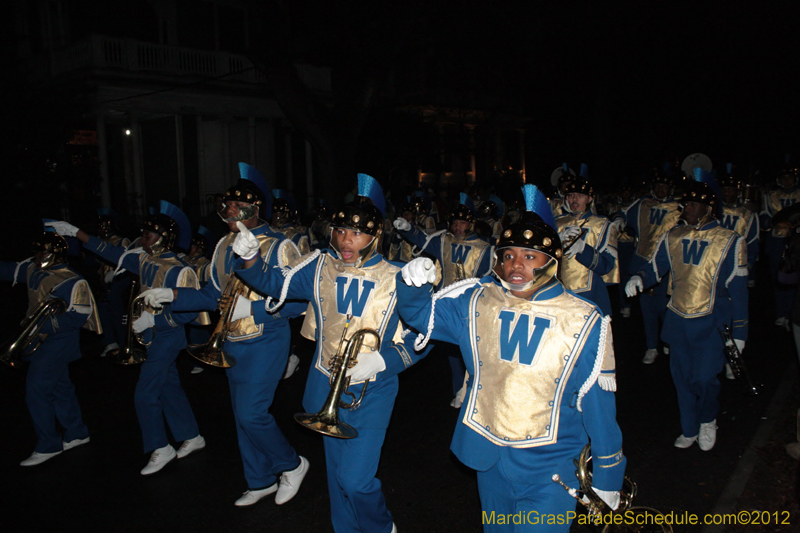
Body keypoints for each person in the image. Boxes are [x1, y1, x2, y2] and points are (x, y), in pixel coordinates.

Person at [396, 184, 625, 532]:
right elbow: (421, 317)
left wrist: (608, 474)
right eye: (509, 256)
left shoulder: (585, 318)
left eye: (529, 256)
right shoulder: (477, 300)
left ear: (551, 262)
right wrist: (411, 286)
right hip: (489, 460)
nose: (516, 265)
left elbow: (598, 405)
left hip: (550, 468)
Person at [233, 173, 428, 533]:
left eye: (356, 233)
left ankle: (380, 527)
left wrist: (385, 360)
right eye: (340, 231)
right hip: (324, 382)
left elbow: (425, 336)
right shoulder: (319, 265)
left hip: (372, 389)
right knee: (338, 476)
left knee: (356, 480)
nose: (345, 240)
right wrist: (249, 260)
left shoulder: (397, 275)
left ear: (375, 236)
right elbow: (275, 284)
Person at [140, 163, 310, 507]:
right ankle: (259, 479)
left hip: (267, 339)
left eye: (236, 207)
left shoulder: (281, 246)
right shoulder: (222, 246)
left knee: (252, 413)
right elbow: (211, 294)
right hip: (231, 341)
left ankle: (292, 463)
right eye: (226, 208)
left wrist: (257, 310)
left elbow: (299, 304)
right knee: (240, 415)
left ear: (253, 208)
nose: (229, 213)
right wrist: (171, 296)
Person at [47, 201, 206, 475]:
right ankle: (192, 436)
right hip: (152, 334)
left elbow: (190, 314)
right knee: (168, 388)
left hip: (167, 336)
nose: (142, 239)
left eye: (148, 234)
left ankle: (161, 447)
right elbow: (111, 251)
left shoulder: (181, 270)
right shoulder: (144, 258)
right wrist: (76, 233)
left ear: (164, 238)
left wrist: (153, 319)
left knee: (144, 394)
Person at [626, 168, 748, 451]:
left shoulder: (730, 240)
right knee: (680, 380)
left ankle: (707, 420)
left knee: (705, 379)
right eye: (685, 204)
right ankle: (689, 427)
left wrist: (740, 333)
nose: (685, 208)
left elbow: (739, 292)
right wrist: (640, 278)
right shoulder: (674, 235)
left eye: (692, 204)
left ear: (708, 208)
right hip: (678, 321)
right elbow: (657, 266)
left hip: (711, 324)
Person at [1, 228, 102, 466]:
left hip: (58, 341)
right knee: (60, 388)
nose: (37, 255)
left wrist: (44, 324)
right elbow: (8, 270)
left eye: (41, 251)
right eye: (35, 251)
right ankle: (77, 432)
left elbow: (80, 314)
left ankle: (48, 444)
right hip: (40, 339)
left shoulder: (72, 279)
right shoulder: (34, 269)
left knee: (36, 390)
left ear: (54, 253)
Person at [393, 193, 493, 407]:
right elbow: (421, 240)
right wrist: (406, 228)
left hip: (471, 304)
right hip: (445, 303)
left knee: (470, 350)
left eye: (462, 222)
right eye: (454, 223)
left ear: (471, 224)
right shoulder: (442, 240)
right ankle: (459, 389)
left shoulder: (484, 249)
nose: (458, 227)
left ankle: (472, 389)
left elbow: (491, 279)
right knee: (451, 353)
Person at [613, 169, 682, 364]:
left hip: (668, 264)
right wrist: (619, 219)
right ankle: (652, 346)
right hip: (643, 261)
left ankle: (667, 340)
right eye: (658, 186)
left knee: (665, 306)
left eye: (665, 187)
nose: (661, 190)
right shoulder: (643, 203)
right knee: (647, 308)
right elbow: (622, 212)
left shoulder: (679, 207)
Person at [555, 177, 617, 316]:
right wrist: (555, 243)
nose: (574, 200)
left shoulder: (603, 225)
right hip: (559, 294)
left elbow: (606, 266)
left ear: (589, 199)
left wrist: (584, 249)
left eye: (580, 196)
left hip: (591, 295)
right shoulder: (557, 223)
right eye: (571, 195)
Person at [759, 165, 800, 330]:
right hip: (778, 241)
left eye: (790, 177)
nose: (787, 181)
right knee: (781, 278)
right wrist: (773, 222)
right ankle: (782, 314)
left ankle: (794, 315)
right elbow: (763, 219)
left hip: (798, 242)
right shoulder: (771, 195)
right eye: (784, 178)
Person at [95, 208, 132, 357]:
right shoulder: (98, 241)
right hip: (104, 281)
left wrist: (115, 274)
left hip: (120, 280)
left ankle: (124, 344)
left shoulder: (121, 240)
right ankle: (110, 342)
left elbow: (127, 261)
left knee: (117, 311)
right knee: (103, 309)